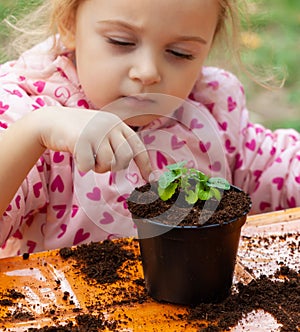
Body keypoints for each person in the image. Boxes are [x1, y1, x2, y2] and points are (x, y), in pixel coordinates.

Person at [0, 0, 299, 258]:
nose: (148, 72)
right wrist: (34, 133)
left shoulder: (211, 108)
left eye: (181, 53)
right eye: (121, 41)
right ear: (69, 24)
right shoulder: (29, 108)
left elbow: (278, 174)